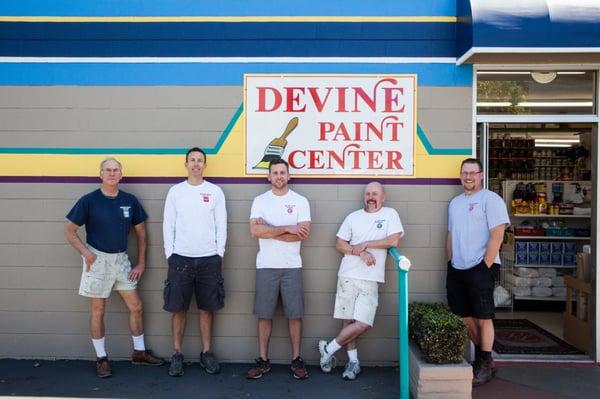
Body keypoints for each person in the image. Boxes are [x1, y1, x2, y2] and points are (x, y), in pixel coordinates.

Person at [64, 157, 164, 379]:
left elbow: (141, 233)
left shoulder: (130, 200)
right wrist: (86, 253)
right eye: (107, 170)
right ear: (100, 174)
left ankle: (139, 352)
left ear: (121, 174)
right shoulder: (89, 201)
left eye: (115, 170)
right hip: (97, 260)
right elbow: (69, 231)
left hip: (121, 261)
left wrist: (141, 262)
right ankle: (101, 358)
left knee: (136, 306)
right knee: (98, 310)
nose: (111, 173)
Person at [318, 182, 403, 380]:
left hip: (371, 279)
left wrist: (366, 244)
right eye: (368, 193)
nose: (371, 197)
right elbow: (339, 243)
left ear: (383, 197)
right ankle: (353, 363)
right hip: (348, 275)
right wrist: (361, 252)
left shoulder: (390, 214)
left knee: (362, 323)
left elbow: (393, 240)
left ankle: (328, 349)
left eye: (375, 193)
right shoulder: (353, 217)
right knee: (348, 322)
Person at [162, 147, 227, 377]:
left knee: (206, 309)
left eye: (200, 160)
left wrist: (219, 253)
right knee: (178, 309)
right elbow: (168, 224)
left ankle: (206, 353)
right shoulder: (176, 192)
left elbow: (222, 224)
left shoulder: (215, 191)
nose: (196, 164)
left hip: (209, 259)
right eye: (192, 160)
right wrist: (170, 253)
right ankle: (177, 354)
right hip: (180, 258)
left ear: (205, 165)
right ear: (186, 164)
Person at [246, 158, 311, 380]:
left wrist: (269, 228)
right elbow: (254, 231)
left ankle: (296, 359)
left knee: (295, 315)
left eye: (283, 172)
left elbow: (302, 235)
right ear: (269, 176)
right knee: (264, 315)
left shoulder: (300, 201)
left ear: (288, 175)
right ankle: (263, 360)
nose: (279, 176)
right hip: (266, 266)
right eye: (275, 173)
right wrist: (286, 228)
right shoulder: (260, 201)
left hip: (292, 266)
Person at [446, 158, 509, 386]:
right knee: (464, 316)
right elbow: (451, 235)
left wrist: (486, 266)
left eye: (473, 172)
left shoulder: (491, 200)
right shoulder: (455, 203)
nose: (469, 177)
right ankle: (486, 360)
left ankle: (484, 362)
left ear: (481, 175)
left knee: (484, 317)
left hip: (481, 267)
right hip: (457, 268)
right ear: (460, 175)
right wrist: (450, 261)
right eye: (465, 173)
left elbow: (498, 235)